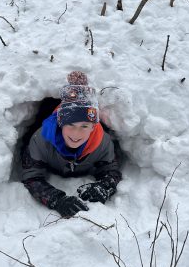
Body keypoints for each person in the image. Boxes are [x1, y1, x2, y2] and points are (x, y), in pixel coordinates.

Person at [21, 71, 122, 218]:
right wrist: (56, 199)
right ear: (60, 123)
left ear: (93, 127)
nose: (76, 134)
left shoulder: (103, 143)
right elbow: (31, 177)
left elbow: (112, 170)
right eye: (70, 125)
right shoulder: (41, 139)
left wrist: (104, 186)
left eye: (84, 126)